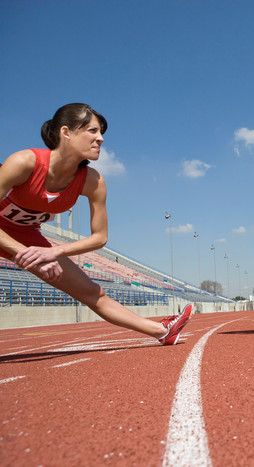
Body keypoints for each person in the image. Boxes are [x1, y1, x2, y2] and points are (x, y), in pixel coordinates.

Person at [0, 103, 192, 344]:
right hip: (17, 241)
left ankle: (163, 332)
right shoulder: (25, 162)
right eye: (92, 131)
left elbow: (99, 237)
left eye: (101, 132)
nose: (100, 139)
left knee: (93, 293)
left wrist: (54, 251)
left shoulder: (93, 181)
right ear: (66, 132)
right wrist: (24, 252)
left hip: (28, 238)